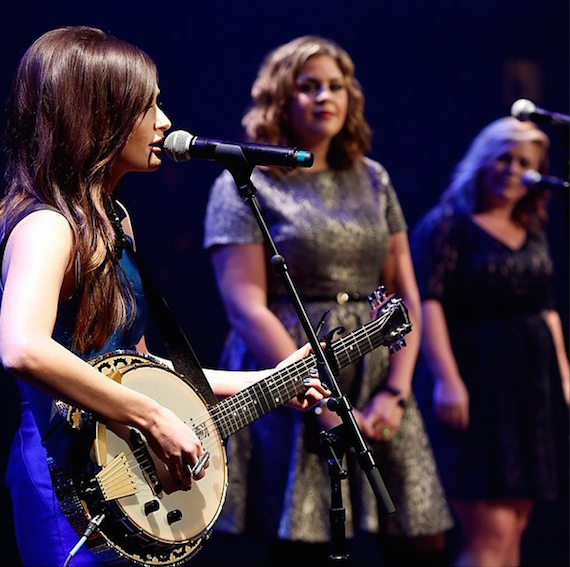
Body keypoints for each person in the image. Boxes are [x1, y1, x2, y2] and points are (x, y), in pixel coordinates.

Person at [0, 26, 330, 567]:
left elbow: (142, 365)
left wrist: (270, 381)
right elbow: (22, 348)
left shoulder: (115, 220)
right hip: (66, 481)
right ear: (97, 116)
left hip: (124, 478)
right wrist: (152, 418)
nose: (165, 121)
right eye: (147, 105)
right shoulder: (47, 225)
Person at [203, 35, 454, 566]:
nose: (324, 97)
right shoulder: (249, 180)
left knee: (419, 538)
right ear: (280, 98)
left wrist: (396, 392)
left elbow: (405, 293)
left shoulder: (373, 177)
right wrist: (316, 395)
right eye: (308, 86)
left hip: (378, 368)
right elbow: (244, 304)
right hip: (292, 367)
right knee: (306, 540)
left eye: (335, 86)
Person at [410, 116, 570, 567]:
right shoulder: (449, 224)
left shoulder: (533, 229)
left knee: (516, 524)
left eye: (525, 162)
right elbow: (429, 302)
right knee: (490, 533)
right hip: (479, 381)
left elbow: (547, 308)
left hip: (530, 388)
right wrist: (447, 379)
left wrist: (563, 377)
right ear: (482, 161)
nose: (512, 170)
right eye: (504, 158)